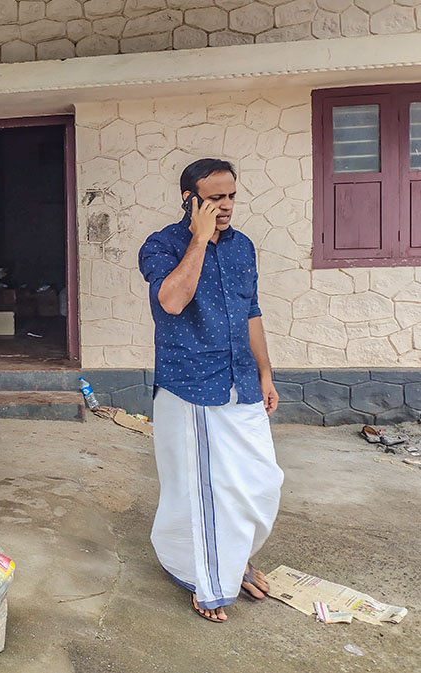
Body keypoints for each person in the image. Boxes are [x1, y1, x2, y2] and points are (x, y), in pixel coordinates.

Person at [137, 158, 284, 623]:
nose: (226, 206)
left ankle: (231, 557)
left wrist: (265, 372)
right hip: (193, 385)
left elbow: (252, 311)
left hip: (241, 380)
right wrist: (199, 238)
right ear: (189, 199)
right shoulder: (162, 245)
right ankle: (209, 579)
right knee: (202, 492)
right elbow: (172, 300)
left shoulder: (243, 248)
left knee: (260, 484)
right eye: (214, 197)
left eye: (232, 196)